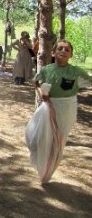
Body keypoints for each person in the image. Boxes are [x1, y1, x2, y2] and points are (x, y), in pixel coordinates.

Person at [29, 40, 91, 183]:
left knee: (57, 142)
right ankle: (40, 163)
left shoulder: (75, 71)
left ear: (71, 54)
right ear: (53, 52)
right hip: (48, 107)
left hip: (67, 110)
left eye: (67, 49)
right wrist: (41, 94)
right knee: (39, 137)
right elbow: (36, 82)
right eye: (60, 48)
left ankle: (47, 172)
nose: (63, 51)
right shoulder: (46, 70)